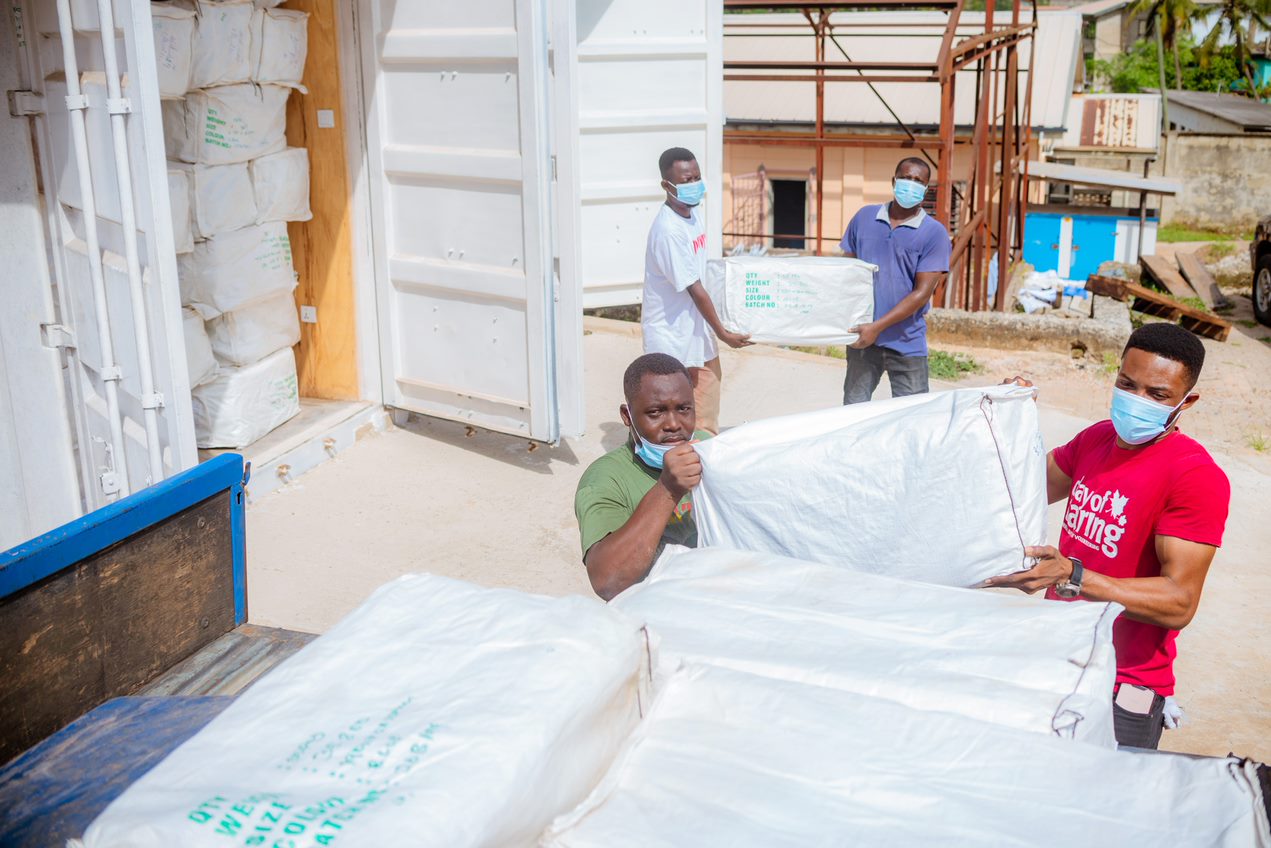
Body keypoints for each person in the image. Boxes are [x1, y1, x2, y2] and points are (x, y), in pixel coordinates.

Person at [986, 323, 1230, 749]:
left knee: (1101, 807)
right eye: (1126, 384)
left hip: (1122, 685)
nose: (1136, 401)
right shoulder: (1098, 438)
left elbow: (1179, 602)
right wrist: (1010, 419)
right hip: (1053, 658)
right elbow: (1017, 490)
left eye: (1157, 395)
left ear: (1186, 402)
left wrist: (1075, 577)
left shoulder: (1195, 477)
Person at [574, 354, 713, 601]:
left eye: (683, 409)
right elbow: (607, 581)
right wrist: (667, 488)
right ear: (627, 416)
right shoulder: (605, 479)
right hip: (656, 616)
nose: (673, 424)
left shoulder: (711, 449)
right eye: (655, 412)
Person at [642, 147, 750, 434]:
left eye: (697, 177)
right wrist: (724, 332)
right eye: (686, 180)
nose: (695, 186)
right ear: (667, 185)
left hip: (697, 334)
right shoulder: (668, 231)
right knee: (674, 424)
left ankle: (699, 471)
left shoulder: (691, 214)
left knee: (705, 414)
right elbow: (695, 289)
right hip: (672, 340)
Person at [839, 157, 951, 404]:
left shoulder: (934, 233)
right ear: (893, 181)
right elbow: (846, 272)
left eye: (918, 181)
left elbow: (921, 293)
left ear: (925, 189)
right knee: (852, 416)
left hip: (907, 342)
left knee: (911, 420)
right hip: (863, 340)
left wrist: (876, 327)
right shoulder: (864, 218)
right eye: (906, 178)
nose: (910, 185)